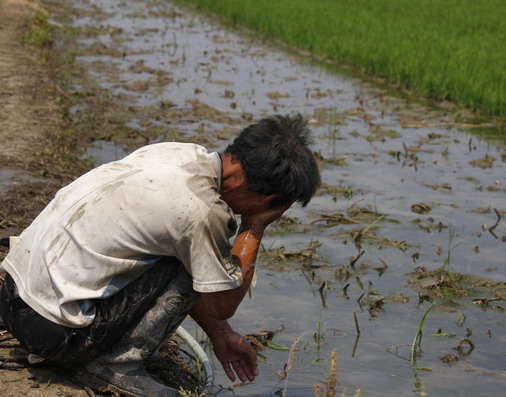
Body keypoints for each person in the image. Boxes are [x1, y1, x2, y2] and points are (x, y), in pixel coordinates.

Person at [0, 115, 321, 396]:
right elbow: (223, 302)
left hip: (13, 297)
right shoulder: (203, 211)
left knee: (187, 254)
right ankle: (113, 366)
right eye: (274, 206)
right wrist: (254, 226)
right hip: (58, 335)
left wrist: (220, 335)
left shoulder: (177, 152)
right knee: (190, 261)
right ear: (266, 196)